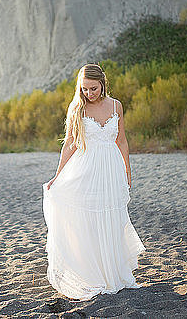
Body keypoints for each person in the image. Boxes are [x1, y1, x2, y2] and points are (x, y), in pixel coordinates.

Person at [42, 63, 146, 301]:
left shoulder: (116, 105)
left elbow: (121, 141)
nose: (89, 93)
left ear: (103, 83)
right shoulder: (77, 108)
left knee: (111, 218)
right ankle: (91, 273)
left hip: (111, 170)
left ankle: (113, 273)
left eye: (93, 88)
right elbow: (69, 144)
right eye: (85, 89)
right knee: (88, 220)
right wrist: (58, 176)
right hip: (85, 170)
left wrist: (127, 170)